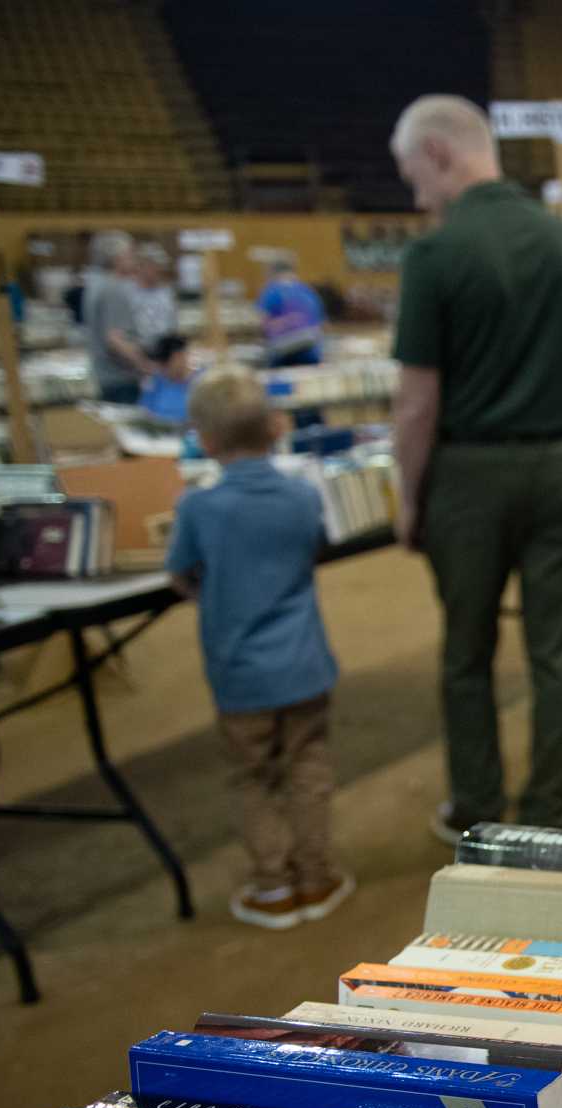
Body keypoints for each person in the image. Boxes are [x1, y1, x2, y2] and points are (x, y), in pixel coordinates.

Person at [388, 94, 562, 841]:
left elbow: (418, 401)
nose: (416, 194)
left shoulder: (435, 255)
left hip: (468, 476)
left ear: (442, 153)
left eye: (412, 175)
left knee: (467, 650)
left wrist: (407, 494)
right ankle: (550, 809)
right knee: (558, 650)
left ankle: (477, 809)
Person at [165, 366, 350, 931]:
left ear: (204, 439)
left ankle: (273, 886)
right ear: (276, 428)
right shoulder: (301, 494)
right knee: (309, 765)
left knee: (252, 775)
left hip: (239, 671)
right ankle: (317, 875)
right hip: (305, 662)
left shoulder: (199, 508)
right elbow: (313, 551)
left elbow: (180, 575)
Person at [83, 232, 154, 405]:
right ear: (117, 258)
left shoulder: (94, 286)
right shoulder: (112, 289)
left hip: (103, 375)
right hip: (121, 379)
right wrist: (146, 366)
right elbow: (115, 340)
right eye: (130, 254)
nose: (134, 259)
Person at [258, 254, 326, 368]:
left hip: (285, 356)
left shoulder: (272, 291)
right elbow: (322, 324)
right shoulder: (308, 291)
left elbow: (263, 323)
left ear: (271, 271)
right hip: (312, 352)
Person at [138, 334, 196, 424]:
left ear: (180, 357)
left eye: (165, 366)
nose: (162, 371)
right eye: (160, 367)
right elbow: (143, 413)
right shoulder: (155, 381)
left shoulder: (203, 384)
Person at [130, 242, 179, 347]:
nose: (158, 270)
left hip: (164, 349)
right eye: (153, 266)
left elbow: (172, 322)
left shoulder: (166, 293)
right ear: (141, 266)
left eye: (159, 266)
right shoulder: (130, 293)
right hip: (139, 349)